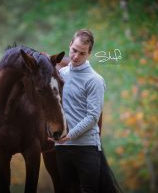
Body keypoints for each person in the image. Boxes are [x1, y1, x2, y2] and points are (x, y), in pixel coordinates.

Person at [49, 29, 122, 193]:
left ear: (89, 54)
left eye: (82, 53)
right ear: (70, 45)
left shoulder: (94, 80)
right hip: (62, 148)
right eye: (74, 50)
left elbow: (93, 117)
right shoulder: (60, 75)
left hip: (86, 148)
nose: (75, 56)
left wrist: (69, 136)